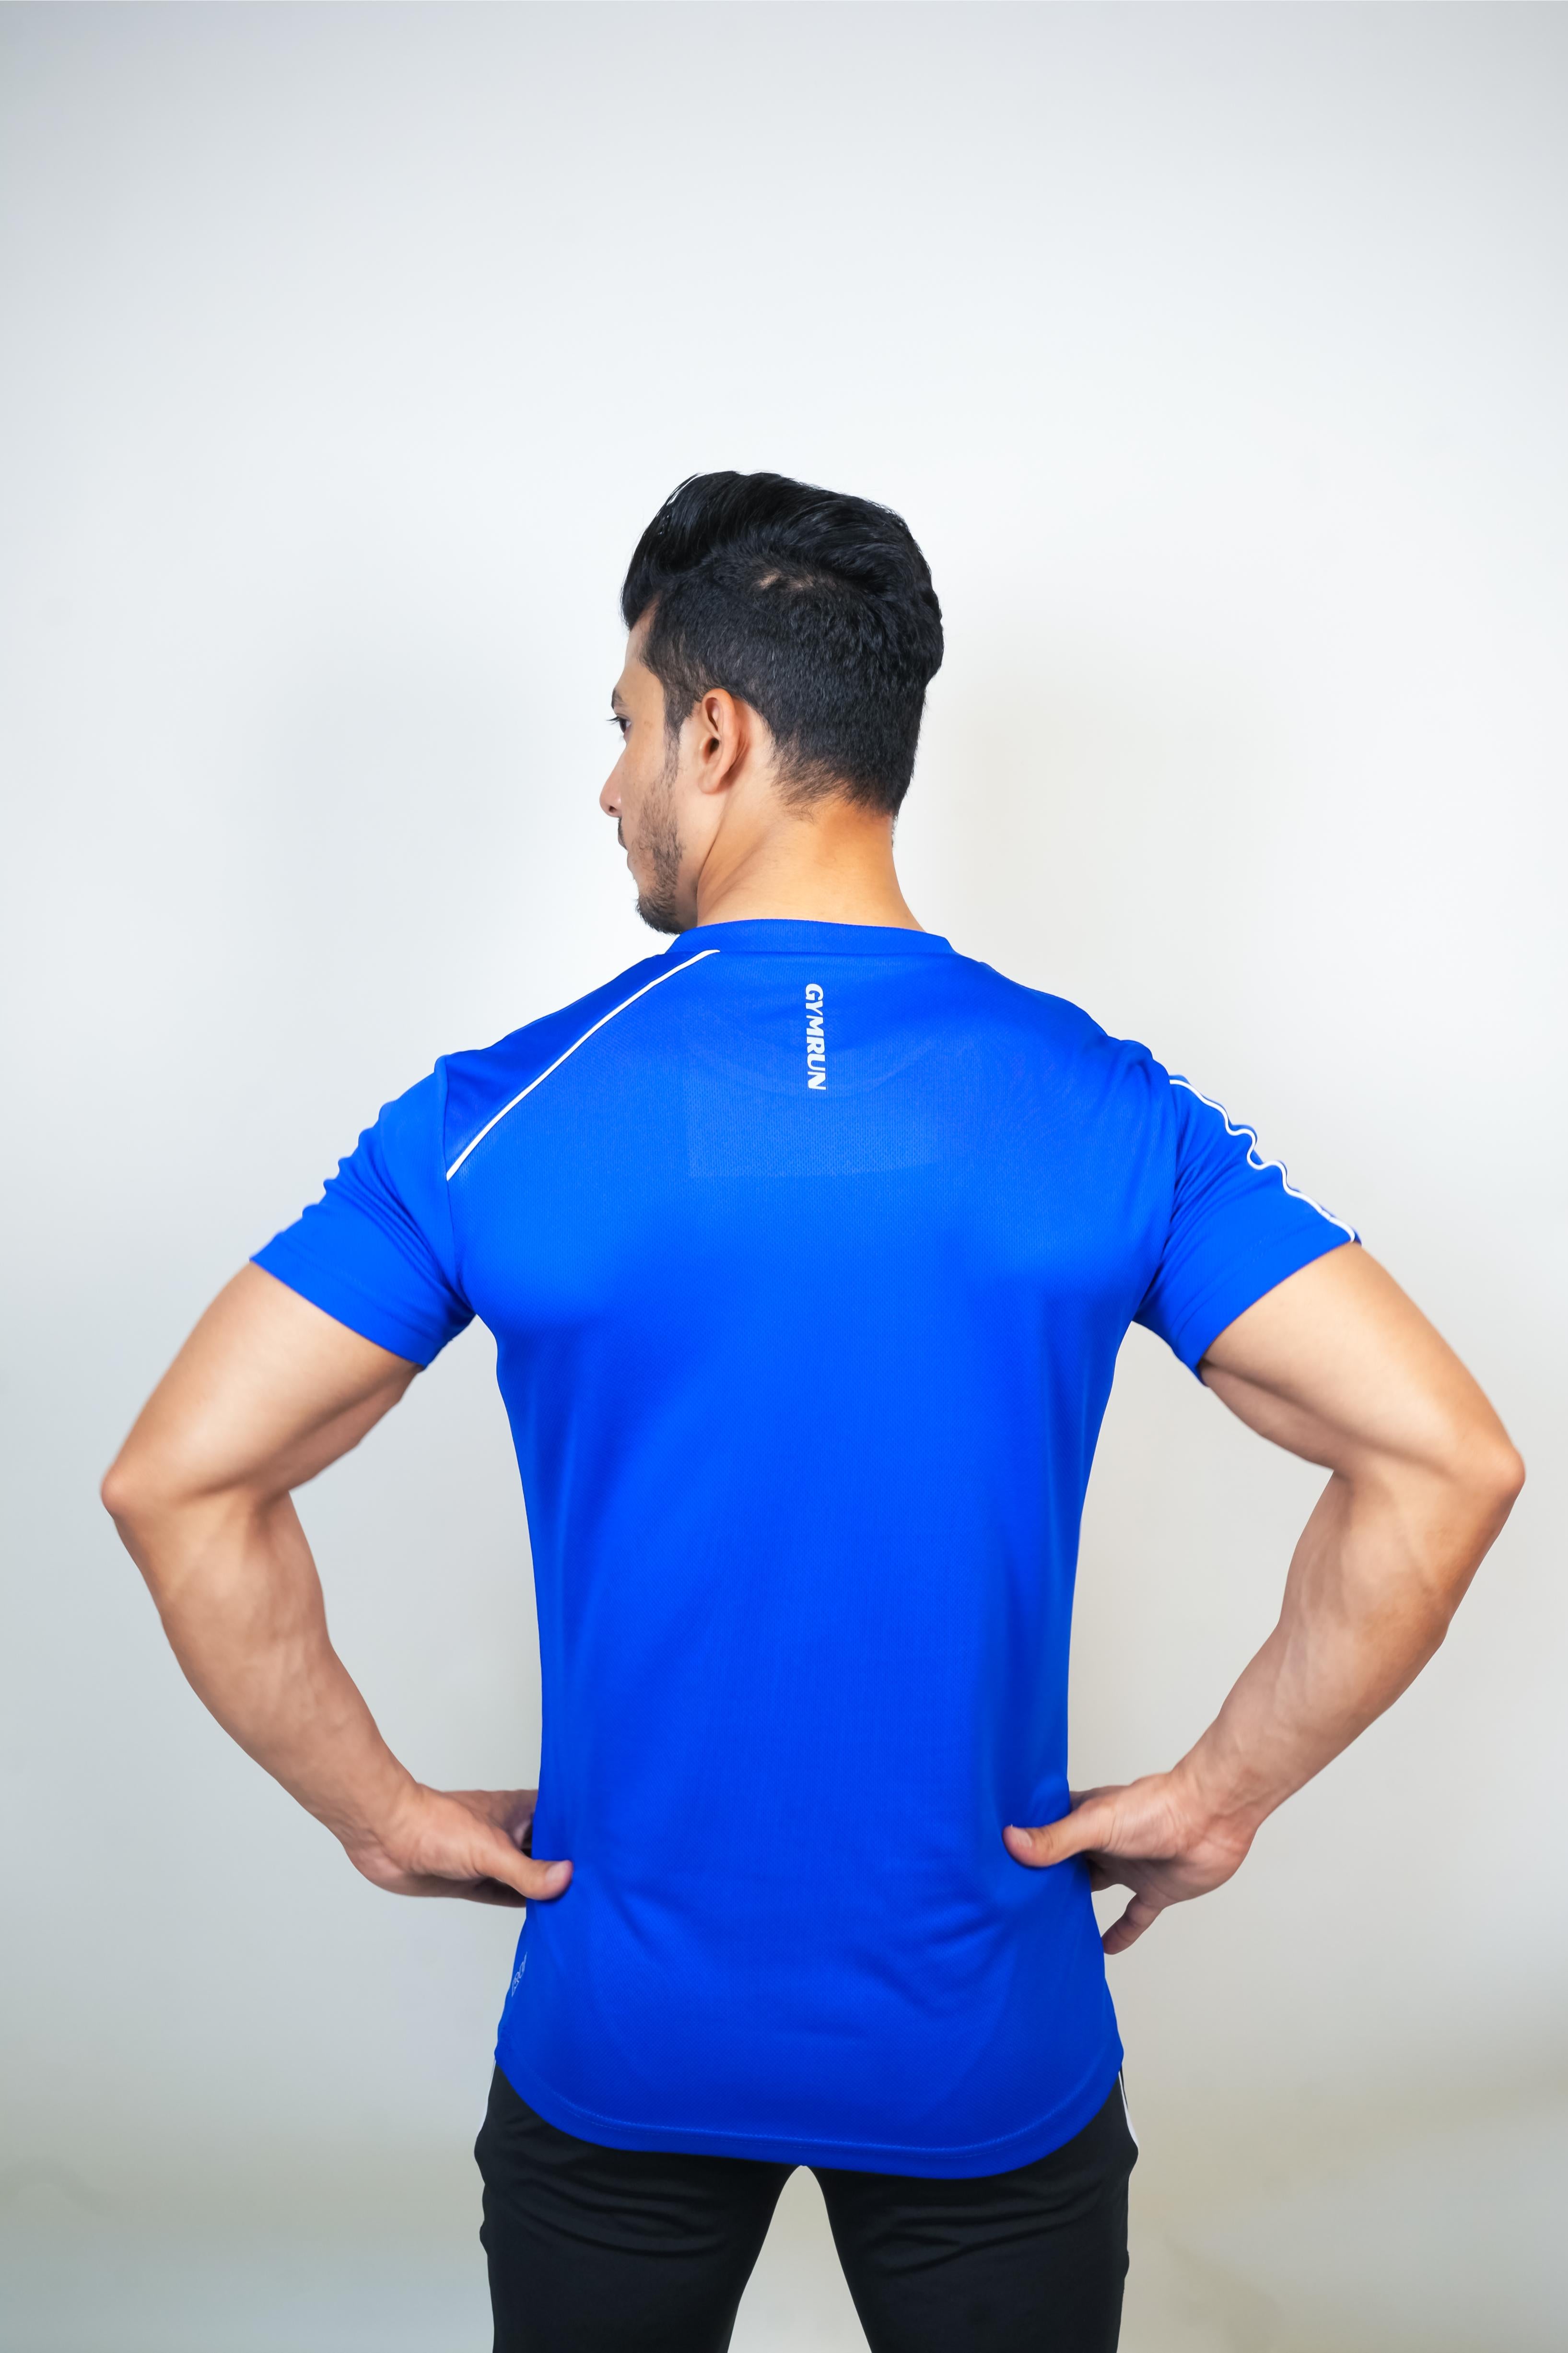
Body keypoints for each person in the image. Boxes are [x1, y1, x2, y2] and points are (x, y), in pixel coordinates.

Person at [103, 471, 1523, 2353]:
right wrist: (1219, 1794)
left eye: (625, 726)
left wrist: (375, 1811)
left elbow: (181, 1477)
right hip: (982, 2037)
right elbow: (1441, 1457)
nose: (608, 784)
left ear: (717, 736)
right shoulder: (1102, 1106)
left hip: (622, 2033)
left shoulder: (499, 1113)